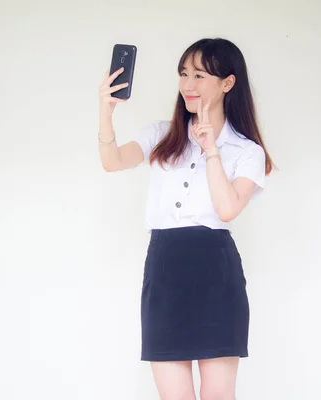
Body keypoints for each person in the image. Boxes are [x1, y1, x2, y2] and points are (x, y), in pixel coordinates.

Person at [97, 38, 273, 400]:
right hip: (164, 269)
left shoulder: (247, 151)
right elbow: (113, 162)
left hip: (216, 274)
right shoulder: (162, 135)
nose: (188, 85)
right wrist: (105, 111)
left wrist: (211, 150)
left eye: (199, 75)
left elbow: (226, 209)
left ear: (227, 83)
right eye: (183, 74)